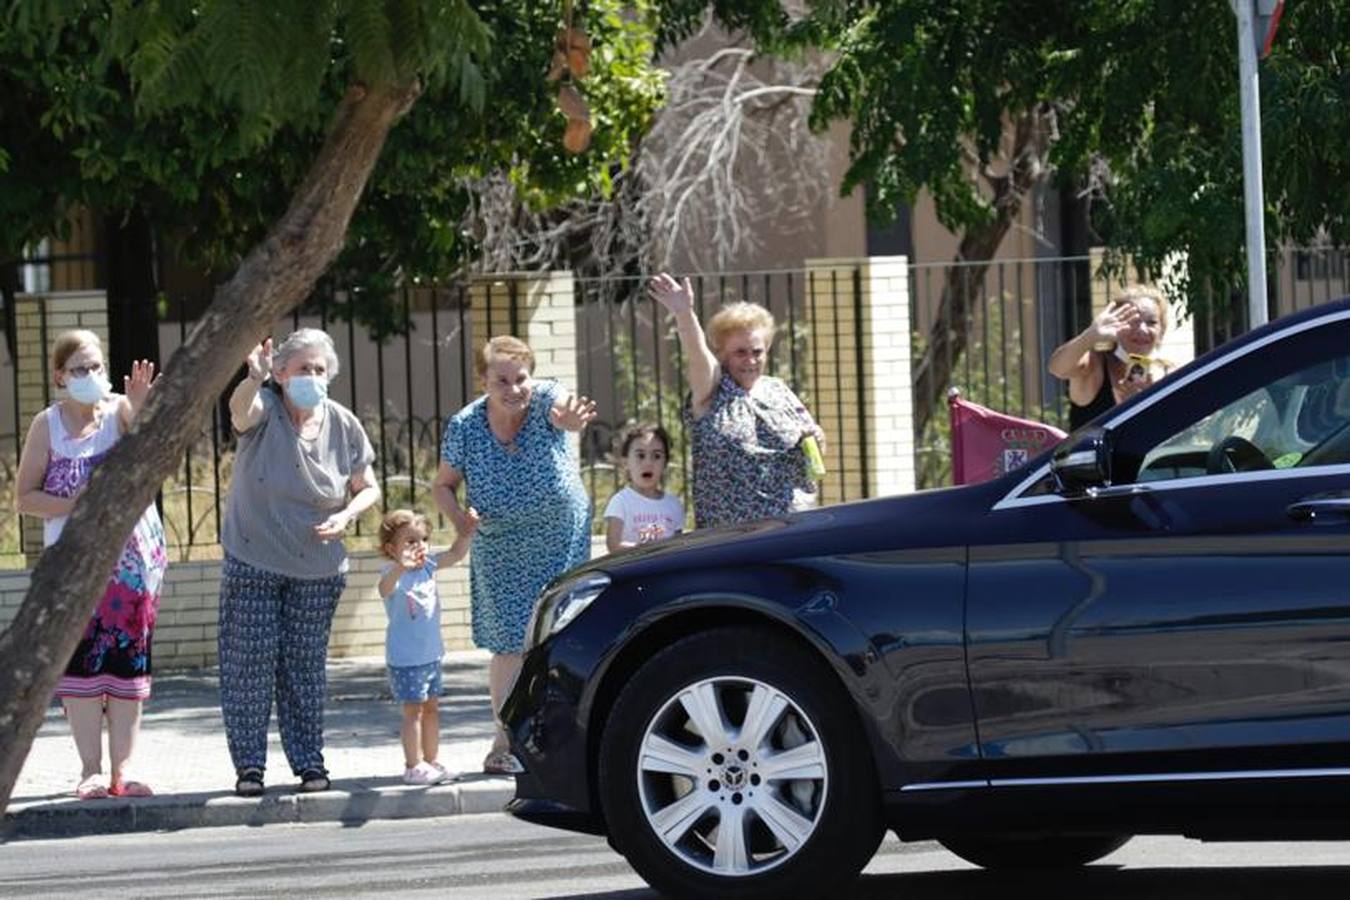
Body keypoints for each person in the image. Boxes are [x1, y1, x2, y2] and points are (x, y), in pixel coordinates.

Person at [219, 328, 381, 797]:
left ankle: (310, 764)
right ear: (280, 373)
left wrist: (348, 515)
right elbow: (239, 412)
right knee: (248, 668)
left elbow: (366, 485)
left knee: (304, 671)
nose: (311, 376)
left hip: (318, 567)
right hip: (254, 560)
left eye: (318, 369)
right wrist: (251, 379)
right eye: (301, 368)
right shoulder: (265, 409)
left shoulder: (343, 422)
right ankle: (250, 767)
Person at [14, 330, 166, 800]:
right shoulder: (48, 425)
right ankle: (90, 770)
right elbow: (25, 498)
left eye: (97, 367)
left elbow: (150, 448)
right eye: (79, 369)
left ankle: (123, 770)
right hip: (74, 567)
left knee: (126, 663)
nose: (90, 376)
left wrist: (142, 406)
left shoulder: (120, 411)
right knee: (80, 667)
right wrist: (74, 503)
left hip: (131, 567)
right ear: (60, 376)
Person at [433, 335, 595, 774]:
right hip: (500, 545)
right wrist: (459, 520)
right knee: (509, 645)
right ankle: (504, 740)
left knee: (559, 636)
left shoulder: (545, 400)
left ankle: (564, 739)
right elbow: (442, 485)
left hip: (559, 537)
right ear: (483, 380)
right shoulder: (465, 425)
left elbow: (564, 412)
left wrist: (569, 418)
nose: (513, 387)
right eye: (501, 379)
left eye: (520, 377)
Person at [649, 273, 825, 528]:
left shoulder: (778, 390)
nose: (751, 360)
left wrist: (818, 439)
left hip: (791, 528)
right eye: (740, 352)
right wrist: (684, 313)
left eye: (757, 352)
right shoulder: (712, 389)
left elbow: (813, 448)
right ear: (722, 354)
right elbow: (697, 354)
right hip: (731, 535)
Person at [377, 507, 478, 785]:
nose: (418, 546)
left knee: (431, 709)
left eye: (422, 539)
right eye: (410, 541)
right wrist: (401, 567)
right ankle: (413, 766)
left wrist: (466, 531)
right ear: (391, 548)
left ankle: (431, 761)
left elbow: (457, 553)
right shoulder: (390, 572)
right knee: (413, 712)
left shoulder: (429, 566)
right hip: (406, 658)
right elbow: (384, 589)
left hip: (431, 655)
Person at [1049, 286, 1171, 430]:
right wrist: (1090, 335)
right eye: (1133, 321)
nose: (1142, 330)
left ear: (1161, 329)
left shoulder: (1169, 372)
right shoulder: (1095, 364)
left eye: (1151, 322)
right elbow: (1058, 368)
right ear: (1116, 323)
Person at [604, 423, 685, 553]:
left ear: (665, 463)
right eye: (640, 455)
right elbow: (613, 545)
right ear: (626, 462)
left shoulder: (674, 505)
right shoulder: (621, 502)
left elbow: (678, 548)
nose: (648, 463)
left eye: (657, 456)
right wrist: (646, 552)